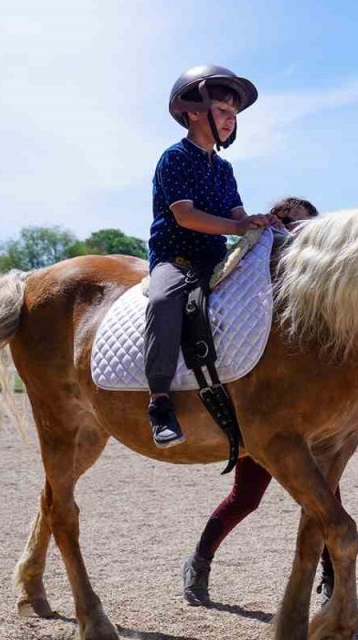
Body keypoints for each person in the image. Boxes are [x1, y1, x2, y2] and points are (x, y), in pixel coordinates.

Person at [179, 196, 358, 618]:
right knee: (246, 499)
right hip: (267, 418)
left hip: (306, 420)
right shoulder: (257, 277)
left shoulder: (315, 287)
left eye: (306, 228)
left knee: (325, 500)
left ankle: (335, 587)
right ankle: (199, 560)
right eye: (291, 225)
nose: (297, 236)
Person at [145, 65, 280, 448]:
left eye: (233, 114)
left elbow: (238, 216)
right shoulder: (174, 158)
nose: (230, 119)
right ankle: (159, 402)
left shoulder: (224, 169)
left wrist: (259, 223)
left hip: (215, 258)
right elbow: (185, 216)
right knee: (163, 300)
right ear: (193, 112)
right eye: (222, 111)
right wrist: (237, 226)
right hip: (176, 258)